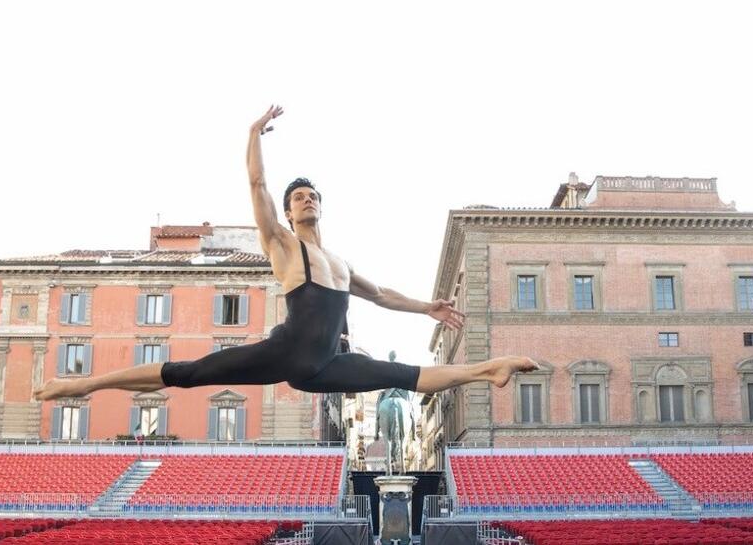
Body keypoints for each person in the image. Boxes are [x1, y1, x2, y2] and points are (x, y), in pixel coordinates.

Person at [33, 105, 537, 402]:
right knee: (187, 374)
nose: (307, 200)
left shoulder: (339, 263)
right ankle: (84, 385)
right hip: (286, 352)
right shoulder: (281, 243)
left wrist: (427, 306)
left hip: (322, 367)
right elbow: (257, 182)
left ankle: (488, 368)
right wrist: (253, 135)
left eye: (313, 196)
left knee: (405, 376)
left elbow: (381, 294)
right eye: (299, 199)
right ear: (290, 214)